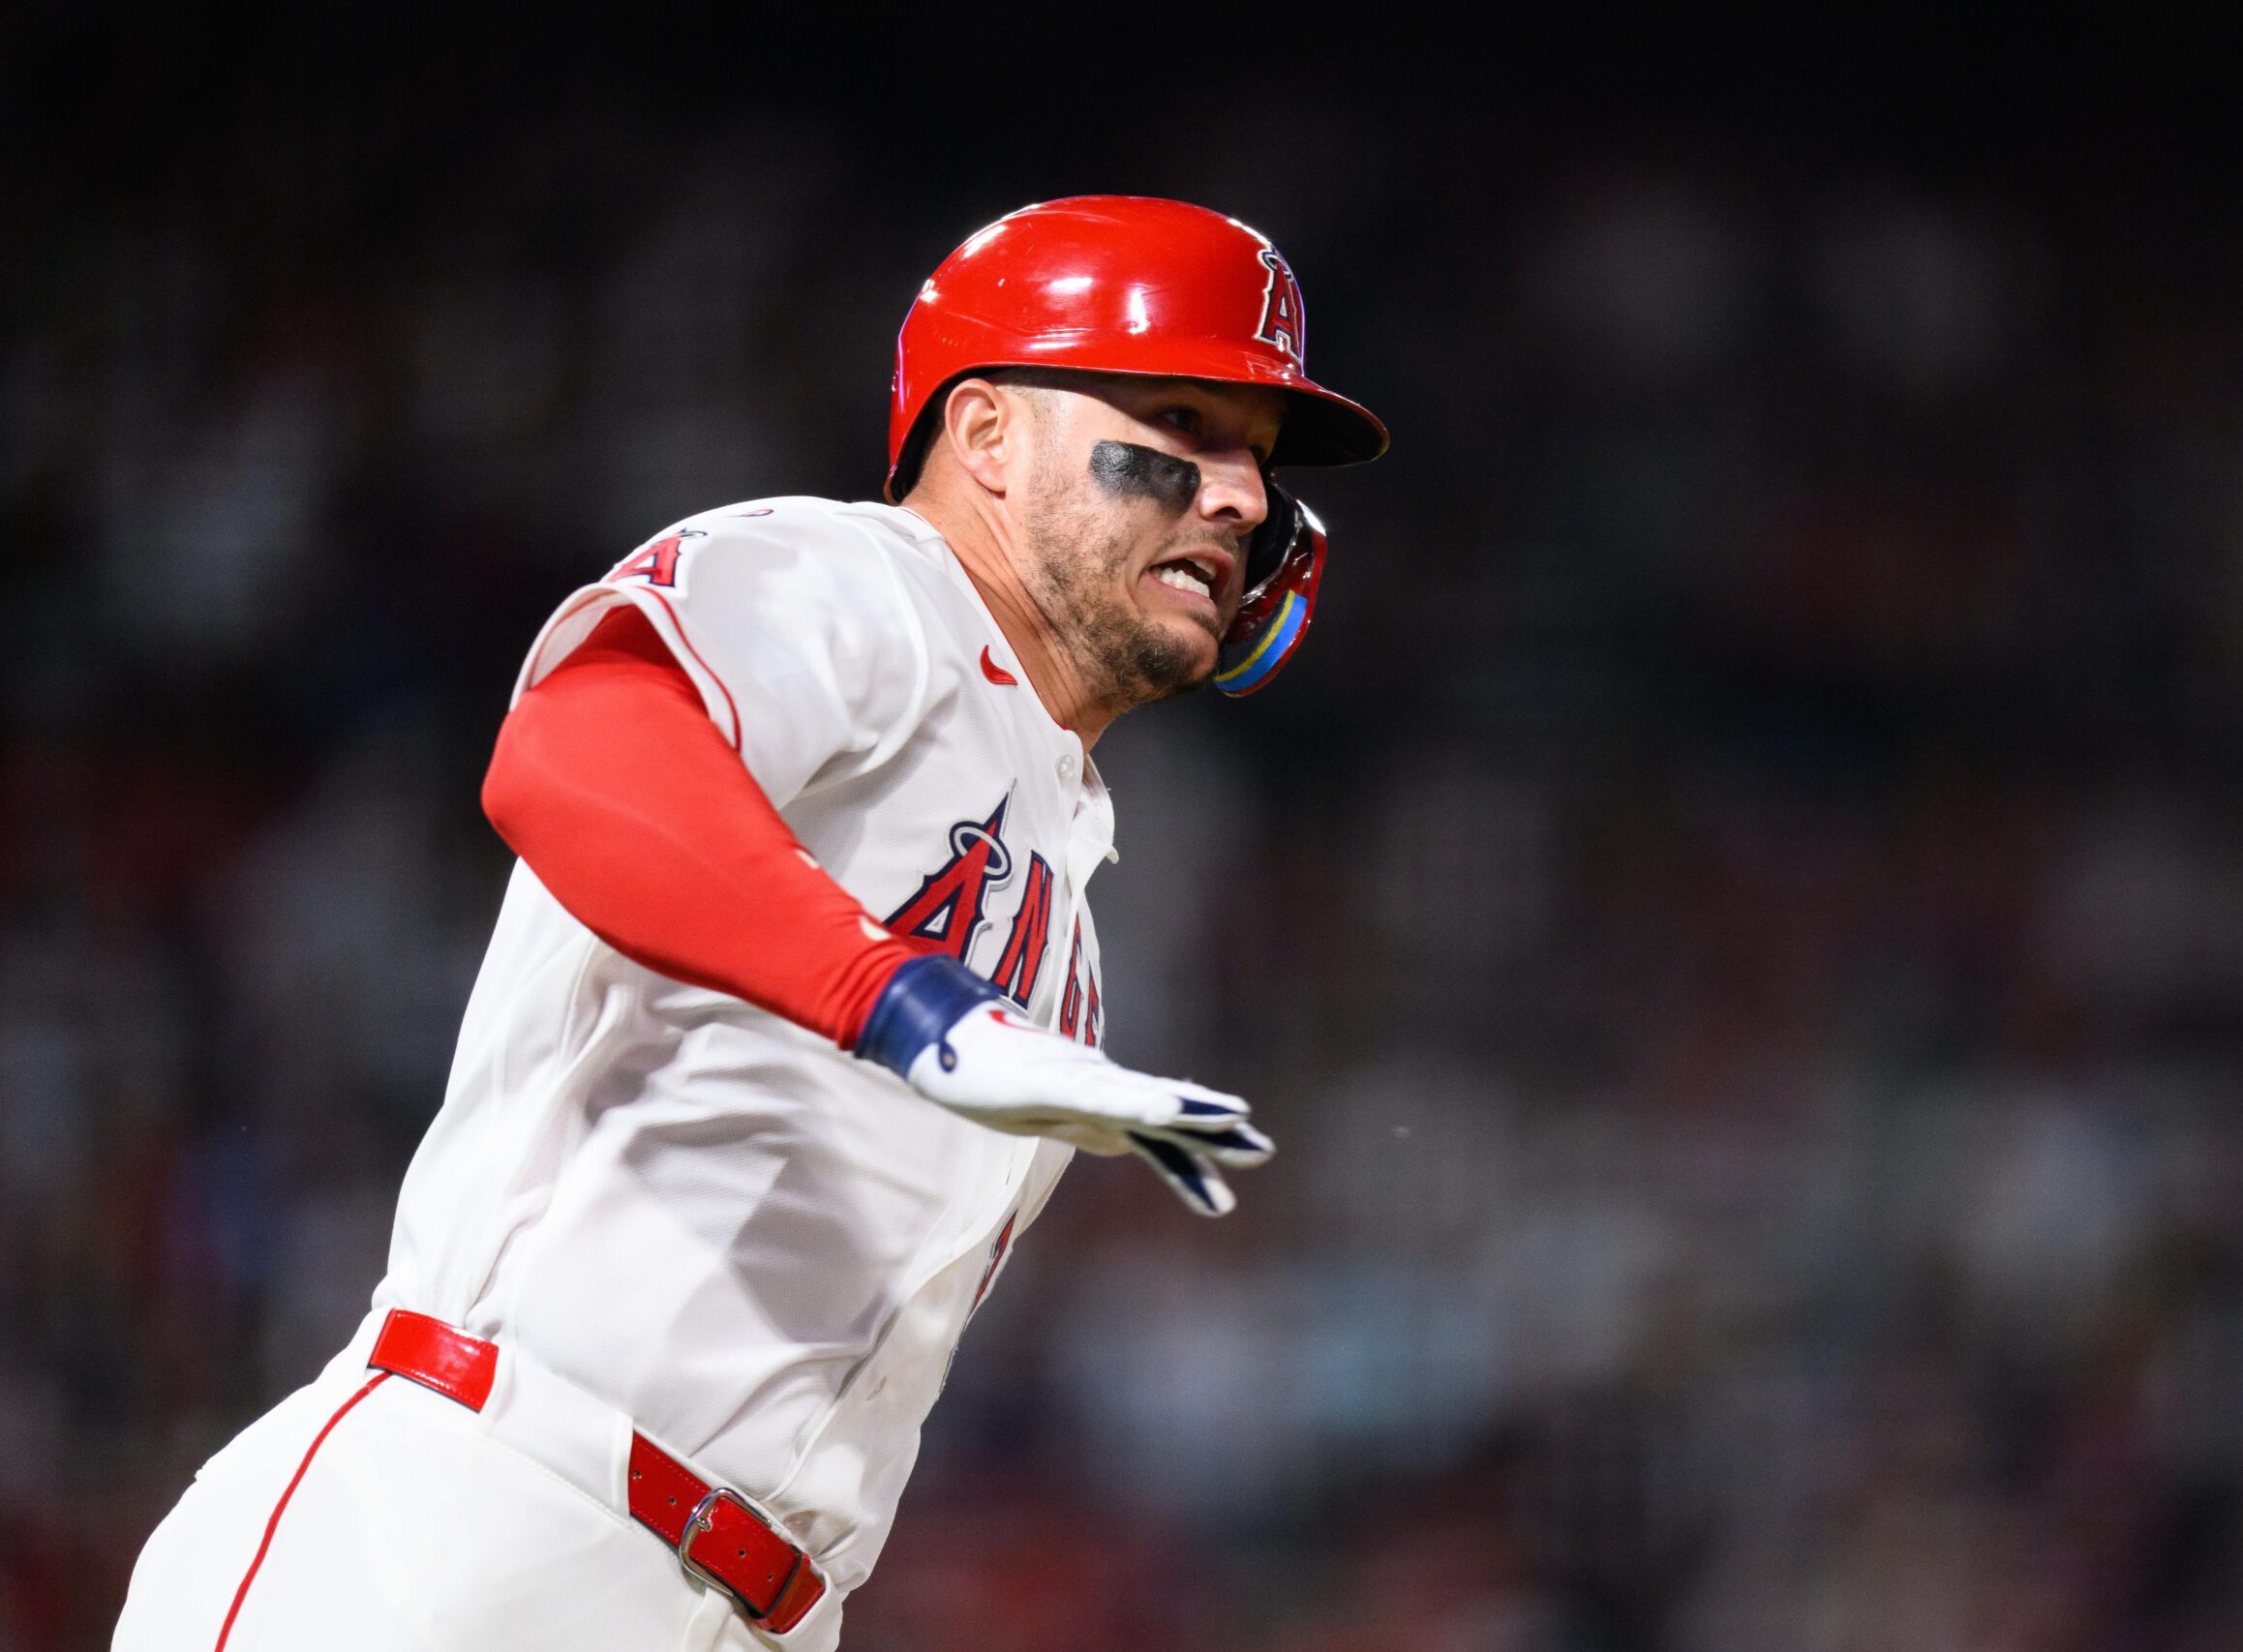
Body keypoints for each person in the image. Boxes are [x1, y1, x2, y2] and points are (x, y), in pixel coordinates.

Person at [110, 195, 1386, 1650]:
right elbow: (574, 748)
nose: (1238, 499)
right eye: (1180, 421)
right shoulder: (860, 580)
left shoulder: (1073, 889)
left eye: (1259, 466)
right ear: (984, 436)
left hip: (749, 1609)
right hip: (485, 1517)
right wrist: (912, 1004)